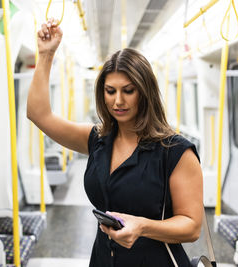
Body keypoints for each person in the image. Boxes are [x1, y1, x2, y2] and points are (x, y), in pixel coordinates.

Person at [27, 18, 203, 267]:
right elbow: (39, 114)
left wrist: (142, 226)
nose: (118, 100)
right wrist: (45, 55)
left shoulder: (175, 151)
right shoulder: (97, 140)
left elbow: (191, 226)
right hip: (103, 258)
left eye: (128, 90)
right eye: (110, 91)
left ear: (145, 92)